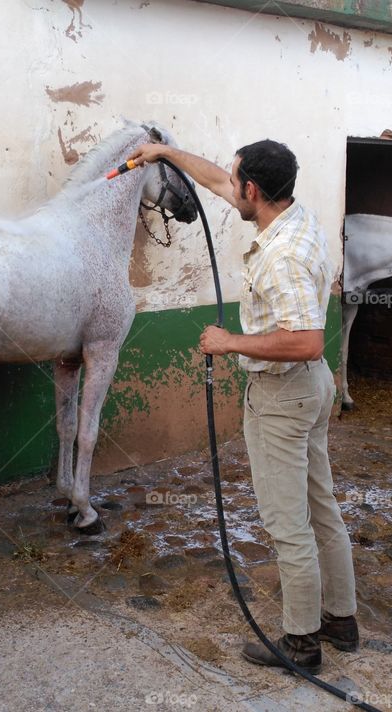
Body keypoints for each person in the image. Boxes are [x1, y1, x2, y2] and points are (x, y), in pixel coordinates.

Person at [127, 138, 358, 675]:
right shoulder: (292, 218)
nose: (230, 190)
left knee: (288, 524)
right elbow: (213, 180)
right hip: (312, 389)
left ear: (253, 189)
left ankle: (302, 643)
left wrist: (227, 342)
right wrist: (164, 153)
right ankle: (340, 619)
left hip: (284, 395)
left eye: (237, 183)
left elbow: (304, 340)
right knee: (320, 505)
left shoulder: (281, 257)